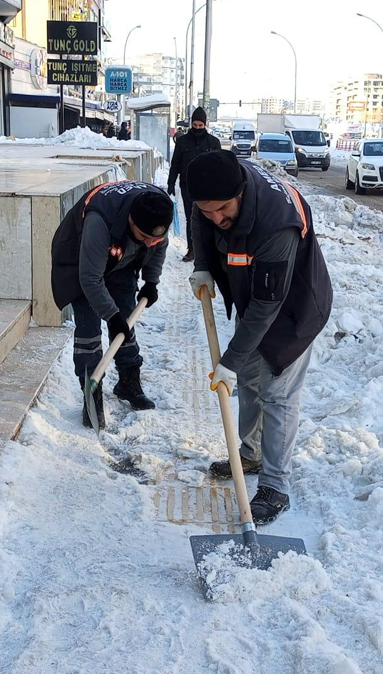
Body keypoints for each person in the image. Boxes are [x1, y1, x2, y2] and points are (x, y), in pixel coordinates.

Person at [186, 151, 333, 526]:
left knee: (277, 394)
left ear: (240, 192)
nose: (216, 218)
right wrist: (203, 266)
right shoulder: (215, 187)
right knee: (249, 382)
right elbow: (201, 221)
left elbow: (269, 306)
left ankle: (275, 486)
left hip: (293, 308)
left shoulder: (276, 224)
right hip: (256, 296)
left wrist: (228, 362)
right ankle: (249, 454)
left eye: (222, 209)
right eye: (208, 210)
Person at [51, 180, 173, 428]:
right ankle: (91, 394)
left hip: (120, 257)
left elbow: (157, 247)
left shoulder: (158, 211)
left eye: (154, 238)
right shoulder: (100, 222)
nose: (150, 243)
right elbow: (90, 279)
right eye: (144, 237)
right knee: (88, 329)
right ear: (131, 221)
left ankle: (128, 382)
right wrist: (111, 315)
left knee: (127, 316)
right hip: (78, 260)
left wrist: (151, 281)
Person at [167, 106, 222, 263]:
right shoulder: (182, 141)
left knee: (210, 216)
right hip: (188, 186)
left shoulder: (213, 142)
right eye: (195, 125)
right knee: (192, 218)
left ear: (205, 125)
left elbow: (220, 167)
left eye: (201, 125)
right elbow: (175, 163)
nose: (198, 128)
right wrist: (171, 183)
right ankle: (192, 249)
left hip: (208, 187)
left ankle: (210, 249)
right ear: (191, 124)